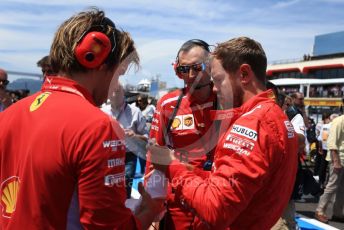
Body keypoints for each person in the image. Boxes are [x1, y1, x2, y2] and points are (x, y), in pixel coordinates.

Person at [0, 8, 161, 229]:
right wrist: (148, 212)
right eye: (119, 73)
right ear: (96, 60)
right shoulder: (97, 126)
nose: (116, 85)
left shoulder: (9, 115)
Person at [149, 37, 299, 229]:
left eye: (218, 79)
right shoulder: (275, 115)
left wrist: (172, 165)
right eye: (183, 69)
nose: (215, 88)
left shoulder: (253, 123)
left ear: (244, 74)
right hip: (190, 201)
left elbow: (216, 209)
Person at [146, 39, 218, 229]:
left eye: (197, 67)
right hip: (179, 201)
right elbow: (155, 154)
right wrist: (151, 205)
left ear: (210, 65)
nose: (191, 75)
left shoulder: (228, 101)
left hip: (218, 198)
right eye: (184, 70)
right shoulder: (167, 104)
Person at [101, 84, 149, 198]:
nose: (114, 94)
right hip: (108, 155)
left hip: (129, 155)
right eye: (112, 92)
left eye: (117, 91)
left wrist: (135, 135)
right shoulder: (103, 112)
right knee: (108, 185)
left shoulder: (135, 112)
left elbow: (147, 137)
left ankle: (125, 207)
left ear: (123, 94)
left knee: (126, 183)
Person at [315, 115, 344, 223]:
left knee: (342, 189)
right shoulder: (339, 121)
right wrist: (336, 161)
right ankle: (320, 211)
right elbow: (331, 142)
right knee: (331, 186)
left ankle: (338, 213)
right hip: (338, 159)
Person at [135, 93, 156, 175]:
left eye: (140, 100)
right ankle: (143, 170)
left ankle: (152, 169)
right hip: (141, 133)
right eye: (138, 100)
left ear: (144, 100)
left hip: (150, 132)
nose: (139, 102)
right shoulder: (137, 109)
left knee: (151, 151)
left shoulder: (151, 108)